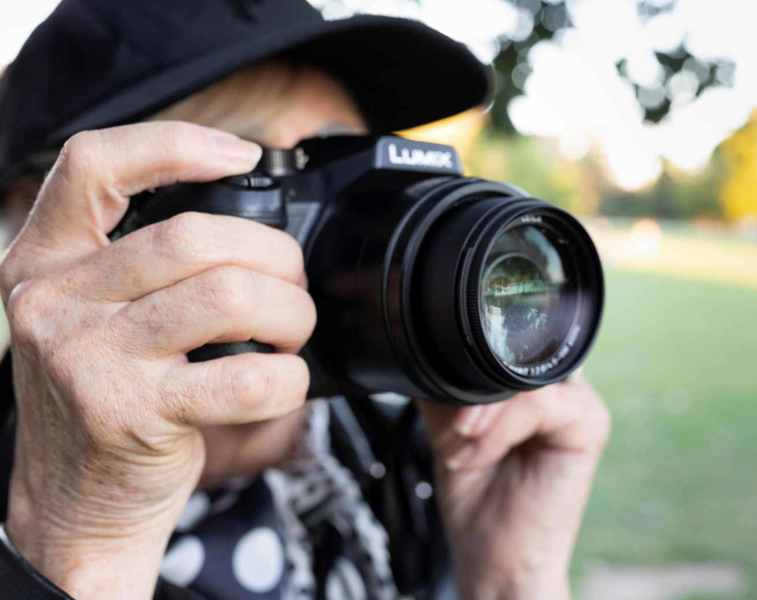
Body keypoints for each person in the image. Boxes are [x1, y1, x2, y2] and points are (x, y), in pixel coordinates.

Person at [0, 1, 610, 599]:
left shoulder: (409, 455)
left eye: (347, 165)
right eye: (258, 175)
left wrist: (507, 581)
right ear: (33, 229)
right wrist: (80, 546)